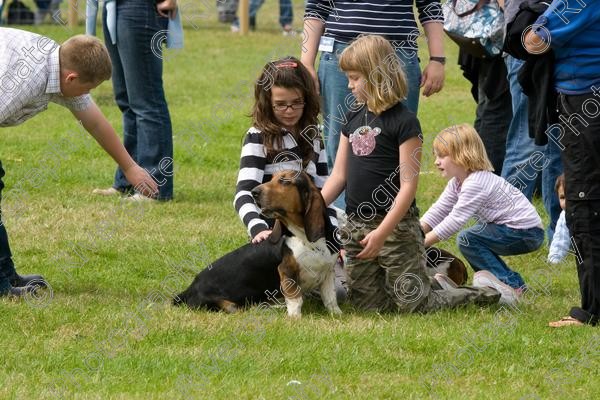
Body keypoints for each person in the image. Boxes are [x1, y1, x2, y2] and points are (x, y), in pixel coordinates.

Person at [321, 35, 500, 313]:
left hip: (396, 229)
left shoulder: (405, 123)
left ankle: (482, 293)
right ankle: (428, 280)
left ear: (377, 75)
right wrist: (313, 208)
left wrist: (382, 233)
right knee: (368, 308)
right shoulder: (352, 118)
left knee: (415, 305)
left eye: (355, 77)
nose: (349, 85)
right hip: (356, 226)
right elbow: (338, 176)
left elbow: (407, 187)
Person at [0, 28, 158, 298]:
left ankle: (5, 273)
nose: (88, 94)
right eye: (88, 88)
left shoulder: (59, 65)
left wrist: (130, 167)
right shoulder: (27, 78)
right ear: (71, 78)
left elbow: (94, 122)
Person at [301, 0, 446, 208]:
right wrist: (306, 61)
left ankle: (392, 223)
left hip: (397, 55)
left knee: (394, 144)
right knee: (339, 149)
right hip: (341, 52)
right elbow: (317, 6)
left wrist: (437, 59)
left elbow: (429, 4)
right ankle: (344, 224)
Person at [234, 56, 346, 299]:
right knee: (335, 291)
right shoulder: (257, 136)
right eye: (280, 104)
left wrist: (337, 239)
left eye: (297, 103)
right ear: (266, 103)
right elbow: (244, 193)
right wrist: (258, 229)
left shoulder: (313, 134)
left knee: (347, 289)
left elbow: (323, 192)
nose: (289, 111)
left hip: (314, 236)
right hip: (278, 240)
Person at [524, 2, 600, 327]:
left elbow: (534, 40)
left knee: (585, 202)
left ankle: (593, 309)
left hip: (585, 101)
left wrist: (534, 19)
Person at [421, 123, 544, 305]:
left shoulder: (476, 182)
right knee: (472, 238)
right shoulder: (457, 182)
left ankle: (510, 284)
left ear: (462, 156)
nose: (436, 161)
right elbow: (438, 210)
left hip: (526, 232)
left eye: (442, 156)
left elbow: (455, 220)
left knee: (468, 239)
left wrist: (420, 244)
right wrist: (415, 232)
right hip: (513, 229)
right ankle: (499, 283)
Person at [92, 0, 177, 201]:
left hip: (138, 6)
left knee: (147, 101)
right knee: (127, 101)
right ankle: (129, 180)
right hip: (113, 6)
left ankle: (154, 186)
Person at [500, 0, 562, 243]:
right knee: (527, 142)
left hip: (564, 45)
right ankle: (505, 228)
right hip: (526, 43)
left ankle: (561, 233)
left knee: (559, 144)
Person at [547, 174, 569, 265]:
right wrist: (555, 258)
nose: (567, 202)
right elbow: (560, 239)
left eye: (572, 196)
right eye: (563, 197)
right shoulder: (565, 216)